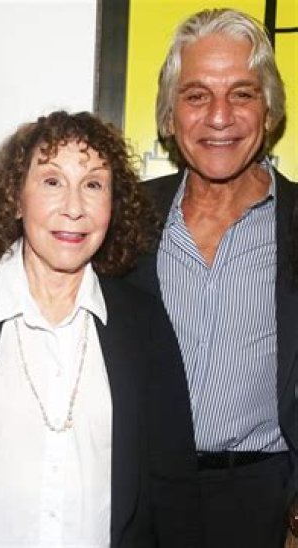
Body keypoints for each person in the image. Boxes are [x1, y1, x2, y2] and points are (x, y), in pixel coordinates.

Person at [0, 110, 200, 548]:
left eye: (93, 185)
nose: (74, 207)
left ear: (112, 206)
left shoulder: (143, 322)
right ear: (16, 198)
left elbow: (172, 482)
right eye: (52, 181)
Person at [126, 8, 298, 548]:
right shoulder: (124, 221)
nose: (219, 117)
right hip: (133, 492)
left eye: (241, 94)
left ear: (269, 111)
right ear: (169, 115)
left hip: (260, 500)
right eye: (197, 95)